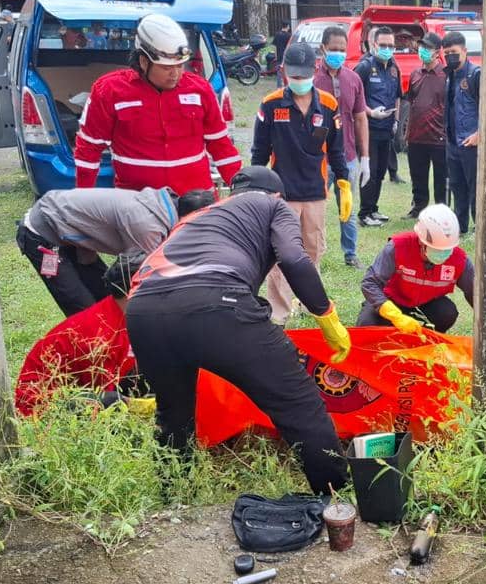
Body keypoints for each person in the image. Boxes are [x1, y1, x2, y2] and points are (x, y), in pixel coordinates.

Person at [125, 166, 353, 494]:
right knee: (298, 403)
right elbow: (294, 259)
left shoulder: (198, 216)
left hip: (143, 310)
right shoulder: (273, 206)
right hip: (216, 302)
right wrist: (326, 315)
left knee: (173, 411)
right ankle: (336, 495)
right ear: (278, 195)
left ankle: (174, 493)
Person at [75, 13, 242, 196]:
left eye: (180, 65)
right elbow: (88, 149)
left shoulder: (200, 90)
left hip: (197, 201)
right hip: (137, 203)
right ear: (143, 61)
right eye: (166, 67)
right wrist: (83, 198)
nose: (175, 74)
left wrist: (241, 190)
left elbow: (221, 145)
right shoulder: (109, 91)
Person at [251, 43, 351, 325]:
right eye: (293, 76)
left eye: (303, 76)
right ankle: (278, 311)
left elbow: (336, 149)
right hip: (281, 193)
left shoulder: (328, 105)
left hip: (315, 192)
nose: (298, 81)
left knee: (313, 249)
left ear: (314, 70)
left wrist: (343, 182)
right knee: (280, 253)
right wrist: (256, 188)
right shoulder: (271, 104)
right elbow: (259, 152)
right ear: (284, 72)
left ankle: (310, 302)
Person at [16, 186, 210, 316]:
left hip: (72, 235)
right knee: (84, 309)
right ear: (189, 219)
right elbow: (148, 278)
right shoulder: (147, 225)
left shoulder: (161, 208)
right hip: (43, 233)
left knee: (108, 300)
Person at [14, 254, 151, 417]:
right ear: (134, 289)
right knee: (113, 402)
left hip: (84, 388)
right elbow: (100, 393)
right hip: (42, 407)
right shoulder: (102, 335)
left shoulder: (121, 315)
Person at [356, 205, 473, 334]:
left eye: (447, 249)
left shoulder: (459, 259)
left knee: (446, 313)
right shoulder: (398, 247)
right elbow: (370, 283)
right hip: (392, 300)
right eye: (436, 248)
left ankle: (426, 335)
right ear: (421, 241)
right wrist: (394, 315)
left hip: (427, 302)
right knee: (367, 325)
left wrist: (485, 321)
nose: (443, 253)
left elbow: (475, 292)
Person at [313, 26, 371, 268]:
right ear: (323, 49)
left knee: (347, 207)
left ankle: (351, 254)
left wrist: (365, 157)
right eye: (333, 49)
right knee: (314, 209)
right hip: (319, 158)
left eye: (342, 49)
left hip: (347, 156)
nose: (338, 53)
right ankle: (312, 253)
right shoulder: (311, 80)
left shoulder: (353, 79)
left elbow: (360, 118)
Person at [354, 26, 402, 228]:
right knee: (370, 171)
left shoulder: (394, 68)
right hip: (369, 128)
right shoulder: (364, 67)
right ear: (374, 44)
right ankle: (364, 213)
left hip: (387, 129)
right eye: (383, 45)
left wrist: (396, 121)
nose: (387, 49)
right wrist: (371, 112)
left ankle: (373, 208)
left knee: (381, 171)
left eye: (391, 45)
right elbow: (354, 98)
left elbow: (398, 96)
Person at [404, 33, 447, 219]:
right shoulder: (415, 74)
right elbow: (411, 102)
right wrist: (407, 132)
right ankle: (418, 208)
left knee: (441, 179)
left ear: (437, 52)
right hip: (416, 136)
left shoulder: (446, 75)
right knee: (417, 176)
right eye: (422, 47)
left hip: (439, 137)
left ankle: (441, 211)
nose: (423, 51)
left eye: (428, 48)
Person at [442, 31, 480, 236]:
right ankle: (460, 226)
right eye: (447, 53)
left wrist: (479, 134)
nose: (450, 56)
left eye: (454, 52)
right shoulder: (449, 76)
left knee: (474, 187)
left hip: (470, 142)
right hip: (453, 142)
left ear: (465, 51)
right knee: (457, 186)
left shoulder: (475, 75)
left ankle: (478, 226)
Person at [272, 21, 291, 86]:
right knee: (287, 72)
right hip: (286, 56)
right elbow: (289, 47)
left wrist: (275, 56)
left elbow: (274, 46)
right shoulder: (289, 35)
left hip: (279, 56)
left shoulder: (277, 34)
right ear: (287, 26)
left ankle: (279, 86)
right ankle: (286, 86)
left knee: (279, 72)